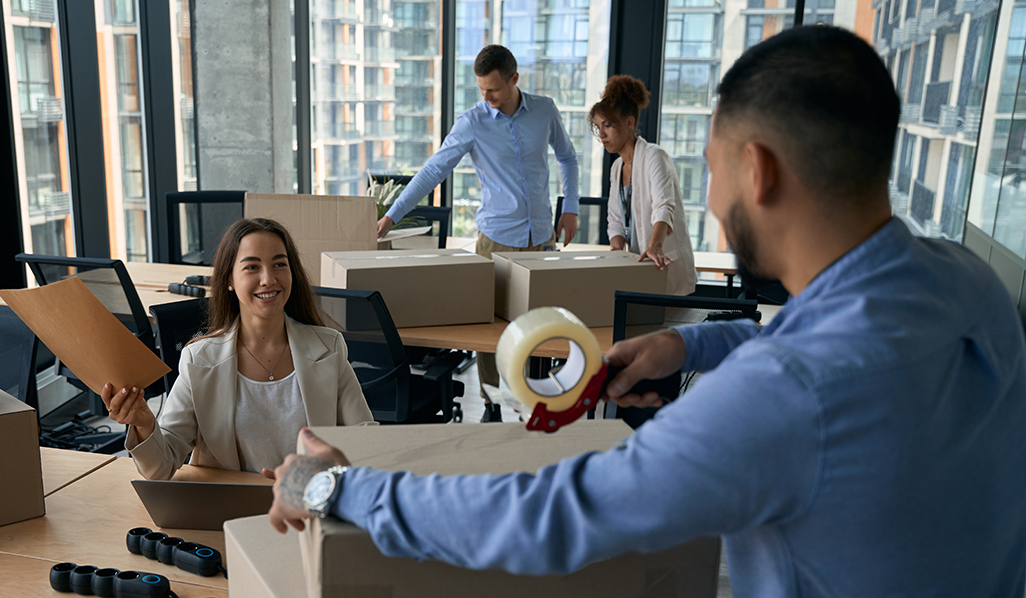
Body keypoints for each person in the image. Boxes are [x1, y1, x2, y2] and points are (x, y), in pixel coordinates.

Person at [267, 26, 1026, 596]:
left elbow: (558, 516)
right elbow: (825, 329)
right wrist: (691, 349)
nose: (716, 201)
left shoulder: (782, 395)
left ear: (756, 171)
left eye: (715, 170)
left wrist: (340, 488)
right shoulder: (967, 281)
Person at [375, 44, 580, 422]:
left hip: (541, 240)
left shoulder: (545, 111)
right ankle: (491, 404)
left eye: (494, 90)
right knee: (491, 332)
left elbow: (567, 156)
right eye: (481, 90)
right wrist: (390, 217)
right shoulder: (472, 122)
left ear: (514, 79)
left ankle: (533, 402)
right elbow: (433, 171)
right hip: (496, 239)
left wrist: (571, 207)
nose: (487, 98)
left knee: (538, 328)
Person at [101, 218, 375, 480]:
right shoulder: (199, 360)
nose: (268, 279)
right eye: (252, 267)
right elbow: (160, 467)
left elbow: (366, 441)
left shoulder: (329, 348)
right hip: (227, 512)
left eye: (279, 264)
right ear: (229, 280)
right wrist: (144, 424)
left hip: (307, 505)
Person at [590, 75, 697, 295]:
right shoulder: (617, 167)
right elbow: (615, 220)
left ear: (629, 122)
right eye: (598, 126)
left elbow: (664, 208)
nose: (601, 134)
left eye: (608, 125)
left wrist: (654, 245)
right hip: (640, 270)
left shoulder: (653, 156)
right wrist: (616, 253)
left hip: (666, 266)